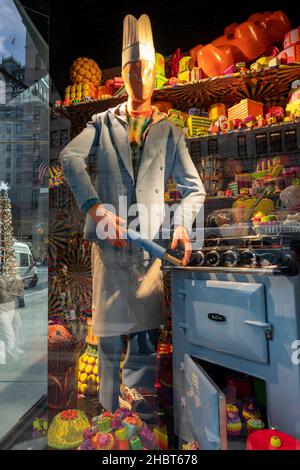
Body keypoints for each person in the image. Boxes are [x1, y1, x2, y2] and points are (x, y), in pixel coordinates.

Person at [60, 14, 205, 414]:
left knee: (143, 344)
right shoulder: (103, 124)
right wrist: (94, 206)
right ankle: (107, 425)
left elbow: (195, 189)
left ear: (157, 74)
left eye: (146, 70)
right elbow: (70, 158)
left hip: (149, 253)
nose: (139, 78)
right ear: (122, 74)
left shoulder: (170, 131)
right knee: (106, 345)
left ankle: (138, 423)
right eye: (131, 69)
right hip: (109, 251)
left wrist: (181, 226)